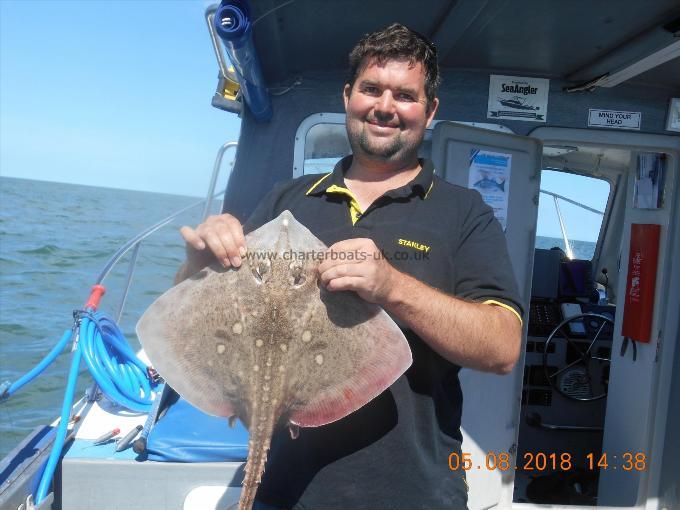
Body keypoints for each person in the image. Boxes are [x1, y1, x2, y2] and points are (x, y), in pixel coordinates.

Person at [176, 23, 522, 510]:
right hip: (288, 490)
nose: (385, 106)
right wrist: (199, 262)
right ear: (348, 96)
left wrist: (392, 286)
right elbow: (204, 314)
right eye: (371, 89)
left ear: (430, 109)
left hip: (415, 493)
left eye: (405, 95)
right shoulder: (286, 202)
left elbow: (504, 347)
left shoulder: (465, 213)